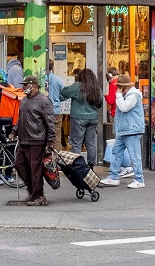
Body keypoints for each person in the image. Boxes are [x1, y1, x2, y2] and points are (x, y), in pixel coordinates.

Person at [13, 75, 55, 206]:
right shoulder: (24, 100)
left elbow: (50, 122)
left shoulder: (43, 101)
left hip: (37, 140)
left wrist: (50, 141)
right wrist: (14, 131)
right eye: (23, 85)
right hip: (24, 139)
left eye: (26, 85)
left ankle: (39, 196)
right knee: (19, 165)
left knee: (35, 169)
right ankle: (33, 191)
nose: (23, 87)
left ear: (34, 86)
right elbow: (20, 119)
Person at [101, 74, 145, 189]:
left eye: (119, 87)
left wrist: (119, 96)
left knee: (134, 156)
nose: (118, 89)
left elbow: (124, 107)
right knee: (116, 152)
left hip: (132, 130)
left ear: (124, 87)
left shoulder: (133, 95)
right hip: (125, 130)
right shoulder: (127, 94)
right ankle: (113, 177)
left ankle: (139, 179)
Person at [62, 67, 103, 168]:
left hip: (78, 118)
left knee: (76, 143)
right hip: (93, 118)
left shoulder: (77, 86)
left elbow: (64, 92)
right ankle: (91, 166)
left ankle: (77, 165)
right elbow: (100, 103)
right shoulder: (96, 88)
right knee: (91, 143)